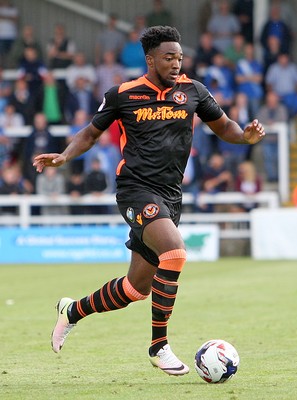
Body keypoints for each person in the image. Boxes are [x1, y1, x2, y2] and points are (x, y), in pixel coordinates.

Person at [33, 26, 265, 376]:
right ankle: (159, 346)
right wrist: (64, 157)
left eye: (180, 58)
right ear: (150, 59)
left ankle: (72, 311)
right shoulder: (124, 94)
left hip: (171, 196)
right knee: (175, 253)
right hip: (135, 190)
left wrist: (245, 137)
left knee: (135, 289)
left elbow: (225, 126)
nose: (176, 64)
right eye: (169, 57)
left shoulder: (193, 92)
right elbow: (90, 133)